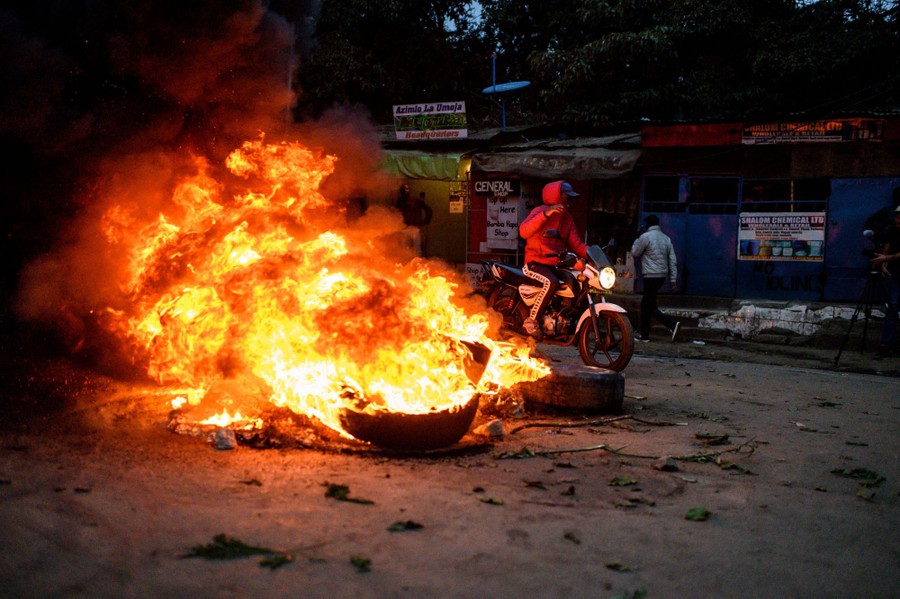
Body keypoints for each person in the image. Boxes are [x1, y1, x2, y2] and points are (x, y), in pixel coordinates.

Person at [518, 180, 588, 339]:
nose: (569, 201)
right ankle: (531, 321)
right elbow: (523, 231)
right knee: (551, 282)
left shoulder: (567, 219)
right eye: (566, 197)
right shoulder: (540, 211)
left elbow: (576, 244)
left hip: (555, 264)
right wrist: (545, 214)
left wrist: (591, 253)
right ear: (557, 196)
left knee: (574, 282)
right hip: (534, 263)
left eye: (570, 198)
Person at [631, 214, 680, 342]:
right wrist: (673, 279)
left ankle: (672, 324)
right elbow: (672, 260)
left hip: (650, 276)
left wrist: (637, 238)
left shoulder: (645, 237)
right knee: (648, 304)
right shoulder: (666, 238)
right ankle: (645, 336)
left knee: (647, 306)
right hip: (661, 277)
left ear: (648, 224)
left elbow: (635, 252)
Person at [870, 205, 900, 359]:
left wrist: (886, 259)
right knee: (892, 307)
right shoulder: (892, 230)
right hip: (894, 273)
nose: (898, 219)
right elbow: (887, 248)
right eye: (897, 216)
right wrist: (883, 263)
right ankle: (885, 345)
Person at [396, 185, 433, 256]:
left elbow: (429, 210)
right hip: (405, 228)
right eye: (404, 189)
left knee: (415, 250)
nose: (406, 191)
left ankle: (415, 263)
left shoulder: (415, 200)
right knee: (406, 249)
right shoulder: (400, 201)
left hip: (412, 228)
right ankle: (409, 264)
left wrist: (426, 221)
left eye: (406, 189)